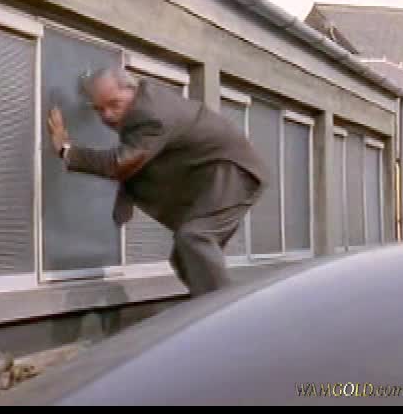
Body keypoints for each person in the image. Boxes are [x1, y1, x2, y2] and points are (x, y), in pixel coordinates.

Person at [47, 67, 268, 296]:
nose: (107, 116)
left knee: (195, 238)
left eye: (114, 104)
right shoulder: (140, 109)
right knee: (185, 258)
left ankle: (226, 313)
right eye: (98, 109)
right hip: (210, 176)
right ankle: (208, 306)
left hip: (234, 172)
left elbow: (120, 163)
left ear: (131, 90)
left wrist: (66, 150)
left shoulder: (151, 115)